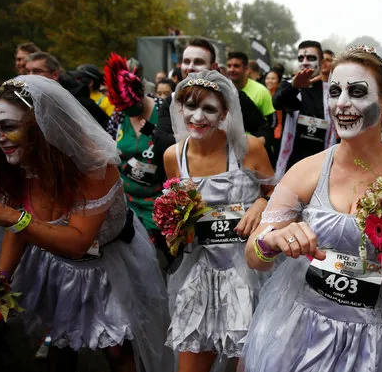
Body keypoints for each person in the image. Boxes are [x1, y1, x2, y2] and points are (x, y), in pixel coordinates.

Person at [241, 46, 382, 372]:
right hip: (302, 336)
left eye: (357, 92)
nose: (342, 103)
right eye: (334, 91)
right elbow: (254, 259)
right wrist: (271, 240)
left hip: (381, 347)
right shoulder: (307, 171)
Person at [0, 75, 170, 372]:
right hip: (55, 263)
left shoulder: (93, 164)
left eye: (7, 127)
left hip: (105, 266)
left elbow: (77, 242)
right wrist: (0, 282)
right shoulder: (17, 161)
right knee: (61, 344)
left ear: (42, 125)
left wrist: (8, 216)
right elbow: (20, 226)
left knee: (117, 350)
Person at [163, 70, 275, 372]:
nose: (197, 116)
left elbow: (280, 196)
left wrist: (262, 204)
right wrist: (177, 228)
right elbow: (178, 210)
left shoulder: (248, 148)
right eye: (189, 106)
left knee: (249, 364)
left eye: (209, 109)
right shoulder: (174, 156)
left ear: (225, 112)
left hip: (248, 273)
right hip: (199, 273)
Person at [153, 39, 266, 166]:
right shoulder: (171, 100)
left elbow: (263, 129)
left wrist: (254, 145)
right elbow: (160, 141)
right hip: (186, 177)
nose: (190, 67)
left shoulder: (233, 97)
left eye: (198, 62)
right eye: (186, 61)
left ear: (213, 67)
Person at [104, 53, 169, 261]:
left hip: (158, 199)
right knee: (134, 257)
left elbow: (177, 146)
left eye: (133, 108)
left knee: (165, 254)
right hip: (127, 199)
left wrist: (154, 134)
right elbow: (107, 146)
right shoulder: (119, 115)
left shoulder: (163, 109)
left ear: (141, 93)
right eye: (124, 110)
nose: (129, 114)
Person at [273, 40, 338, 178]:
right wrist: (294, 88)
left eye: (311, 58)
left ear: (320, 63)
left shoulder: (332, 91)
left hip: (320, 164)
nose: (305, 62)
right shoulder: (289, 86)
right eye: (301, 58)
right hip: (292, 164)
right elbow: (277, 102)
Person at [26, 52, 109, 128]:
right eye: (27, 71)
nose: (30, 76)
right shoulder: (26, 100)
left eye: (36, 71)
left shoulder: (81, 102)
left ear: (55, 75)